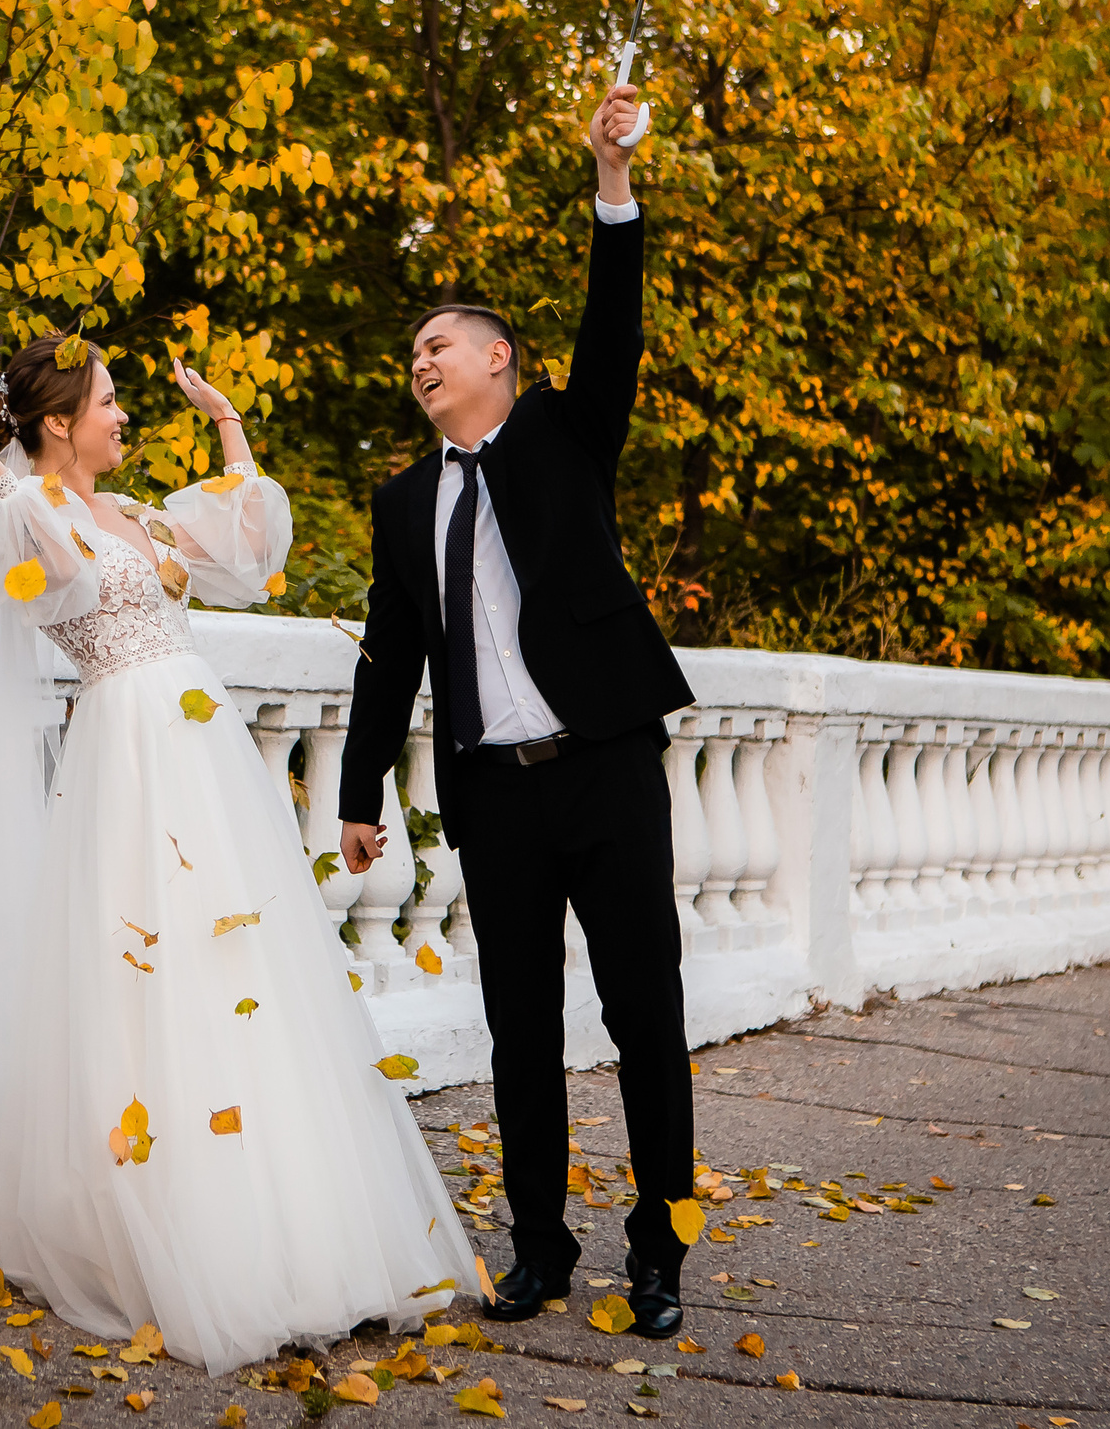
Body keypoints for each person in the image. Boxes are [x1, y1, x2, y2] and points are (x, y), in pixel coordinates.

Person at [0, 346, 475, 1377]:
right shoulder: (32, 519)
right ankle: (183, 1229)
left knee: (244, 966)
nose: (124, 416)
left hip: (200, 747)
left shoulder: (138, 515)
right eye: (108, 402)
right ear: (61, 422)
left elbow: (247, 552)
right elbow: (55, 567)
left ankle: (294, 1222)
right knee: (149, 968)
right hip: (128, 754)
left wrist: (226, 426)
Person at [336, 80, 697, 1336]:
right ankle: (538, 1247)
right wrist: (358, 790)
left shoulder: (564, 432)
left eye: (442, 344)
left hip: (601, 759)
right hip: (492, 790)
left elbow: (613, 329)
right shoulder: (401, 504)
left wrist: (610, 182)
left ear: (499, 359)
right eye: (413, 354)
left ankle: (661, 1247)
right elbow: (389, 653)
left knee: (645, 1004)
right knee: (518, 1027)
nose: (421, 362)